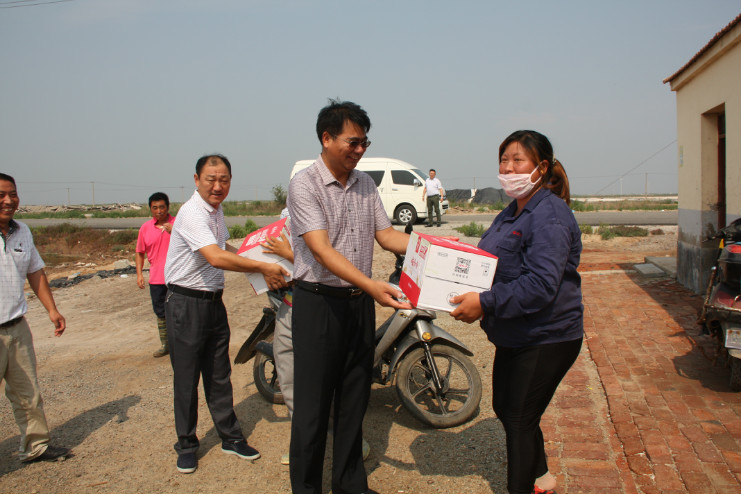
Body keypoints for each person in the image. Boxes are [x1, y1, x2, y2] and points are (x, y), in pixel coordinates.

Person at [287, 99, 411, 494]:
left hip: (358, 306)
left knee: (354, 400)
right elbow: (322, 250)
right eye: (352, 142)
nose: (359, 150)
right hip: (319, 304)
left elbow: (386, 235)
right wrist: (373, 286)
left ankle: (349, 484)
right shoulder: (304, 184)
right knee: (312, 408)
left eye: (364, 143)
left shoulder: (365, 184)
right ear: (326, 138)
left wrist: (433, 247)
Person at [450, 130, 583, 494]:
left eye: (518, 160)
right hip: (516, 331)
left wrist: (485, 302)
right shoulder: (512, 210)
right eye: (504, 160)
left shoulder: (550, 216)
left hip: (547, 335)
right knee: (506, 408)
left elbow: (541, 284)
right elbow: (489, 260)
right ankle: (542, 478)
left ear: (542, 167)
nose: (508, 168)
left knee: (520, 417)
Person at [164, 154, 289, 475]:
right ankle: (186, 445)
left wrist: (259, 258)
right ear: (196, 180)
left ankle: (230, 437)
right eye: (211, 179)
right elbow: (215, 258)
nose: (218, 186)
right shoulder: (192, 212)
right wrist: (261, 266)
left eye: (224, 180)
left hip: (212, 303)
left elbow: (225, 250)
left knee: (219, 373)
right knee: (187, 378)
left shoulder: (216, 212)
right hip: (186, 303)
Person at [260, 211, 370, 467]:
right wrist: (265, 268)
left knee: (329, 383)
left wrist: (290, 255)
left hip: (322, 310)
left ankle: (349, 442)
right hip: (289, 308)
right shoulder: (287, 218)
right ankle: (303, 445)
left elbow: (333, 262)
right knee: (290, 381)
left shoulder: (336, 216)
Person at [0, 173, 70, 463]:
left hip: (17, 326)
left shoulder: (22, 232)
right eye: (1, 195)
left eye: (13, 194)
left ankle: (36, 446)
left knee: (27, 391)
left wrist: (52, 310)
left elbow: (35, 272)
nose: (8, 201)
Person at [135, 192, 175, 358]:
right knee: (160, 312)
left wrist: (175, 231)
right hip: (156, 279)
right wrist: (139, 274)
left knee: (179, 311)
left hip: (177, 278)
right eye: (155, 208)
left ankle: (181, 345)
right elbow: (139, 252)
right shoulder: (145, 228)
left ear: (168, 207)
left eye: (162, 207)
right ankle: (166, 345)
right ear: (150, 209)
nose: (159, 211)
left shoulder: (178, 224)